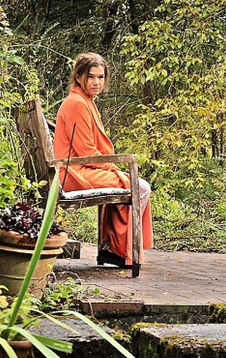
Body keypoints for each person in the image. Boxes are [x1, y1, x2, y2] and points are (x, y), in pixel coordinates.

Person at [53, 52, 153, 269]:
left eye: (100, 77)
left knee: (137, 185)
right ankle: (122, 251)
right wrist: (112, 166)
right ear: (79, 77)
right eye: (91, 77)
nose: (96, 82)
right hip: (73, 174)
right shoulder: (77, 103)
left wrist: (111, 167)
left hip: (79, 169)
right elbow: (85, 150)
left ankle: (115, 249)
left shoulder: (85, 101)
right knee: (140, 186)